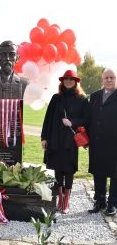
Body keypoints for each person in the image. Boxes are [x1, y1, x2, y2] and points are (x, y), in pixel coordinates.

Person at [41, 70, 89, 214]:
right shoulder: (56, 98)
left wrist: (72, 122)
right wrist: (44, 137)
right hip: (55, 138)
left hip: (70, 141)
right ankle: (60, 199)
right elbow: (48, 118)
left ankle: (66, 201)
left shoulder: (82, 99)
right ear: (63, 81)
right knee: (57, 168)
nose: (68, 81)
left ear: (76, 81)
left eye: (71, 79)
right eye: (66, 79)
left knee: (68, 169)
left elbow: (86, 119)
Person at [88, 68, 117, 216]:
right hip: (97, 142)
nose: (109, 80)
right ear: (102, 80)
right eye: (106, 78)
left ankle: (113, 204)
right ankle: (99, 201)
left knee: (115, 174)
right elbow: (89, 119)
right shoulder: (94, 96)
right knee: (98, 173)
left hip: (114, 143)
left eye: (112, 77)